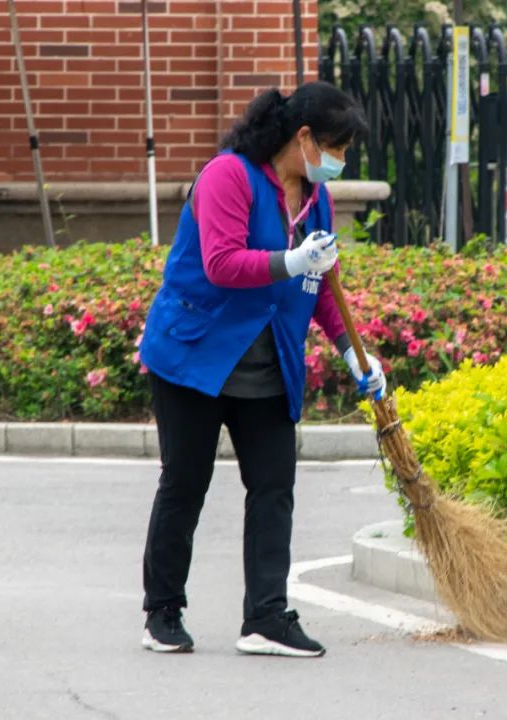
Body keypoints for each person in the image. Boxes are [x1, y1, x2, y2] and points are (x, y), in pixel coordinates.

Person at [137, 82, 386, 658]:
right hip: (195, 357)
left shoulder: (314, 197)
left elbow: (320, 284)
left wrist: (354, 351)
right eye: (336, 147)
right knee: (185, 483)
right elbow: (222, 264)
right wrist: (291, 259)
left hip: (269, 361)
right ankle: (162, 612)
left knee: (274, 487)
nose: (339, 162)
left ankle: (266, 617)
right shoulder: (229, 176)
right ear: (302, 137)